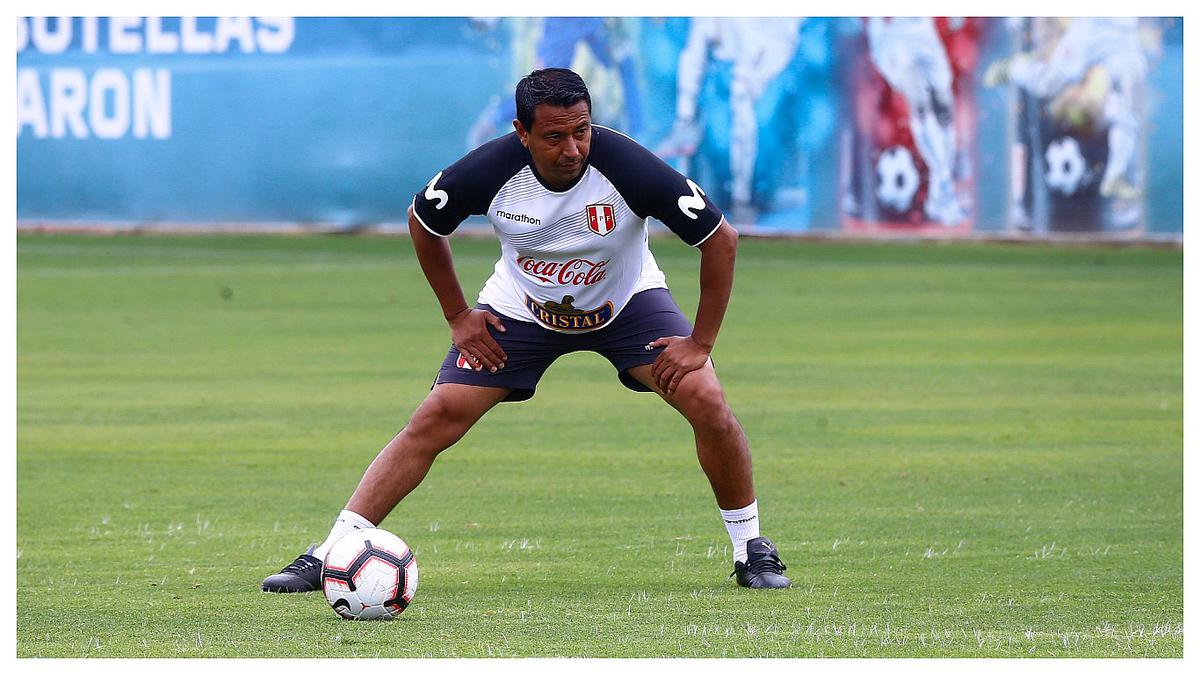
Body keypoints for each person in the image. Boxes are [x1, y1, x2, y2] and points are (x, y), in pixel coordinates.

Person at [262, 68, 790, 593]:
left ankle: (752, 550)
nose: (572, 148)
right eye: (554, 136)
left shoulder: (628, 166)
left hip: (626, 304)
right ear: (522, 132)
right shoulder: (490, 168)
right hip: (522, 310)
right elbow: (423, 222)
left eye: (581, 130)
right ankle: (332, 552)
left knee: (708, 400)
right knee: (437, 415)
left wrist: (700, 344)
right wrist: (457, 316)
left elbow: (721, 239)